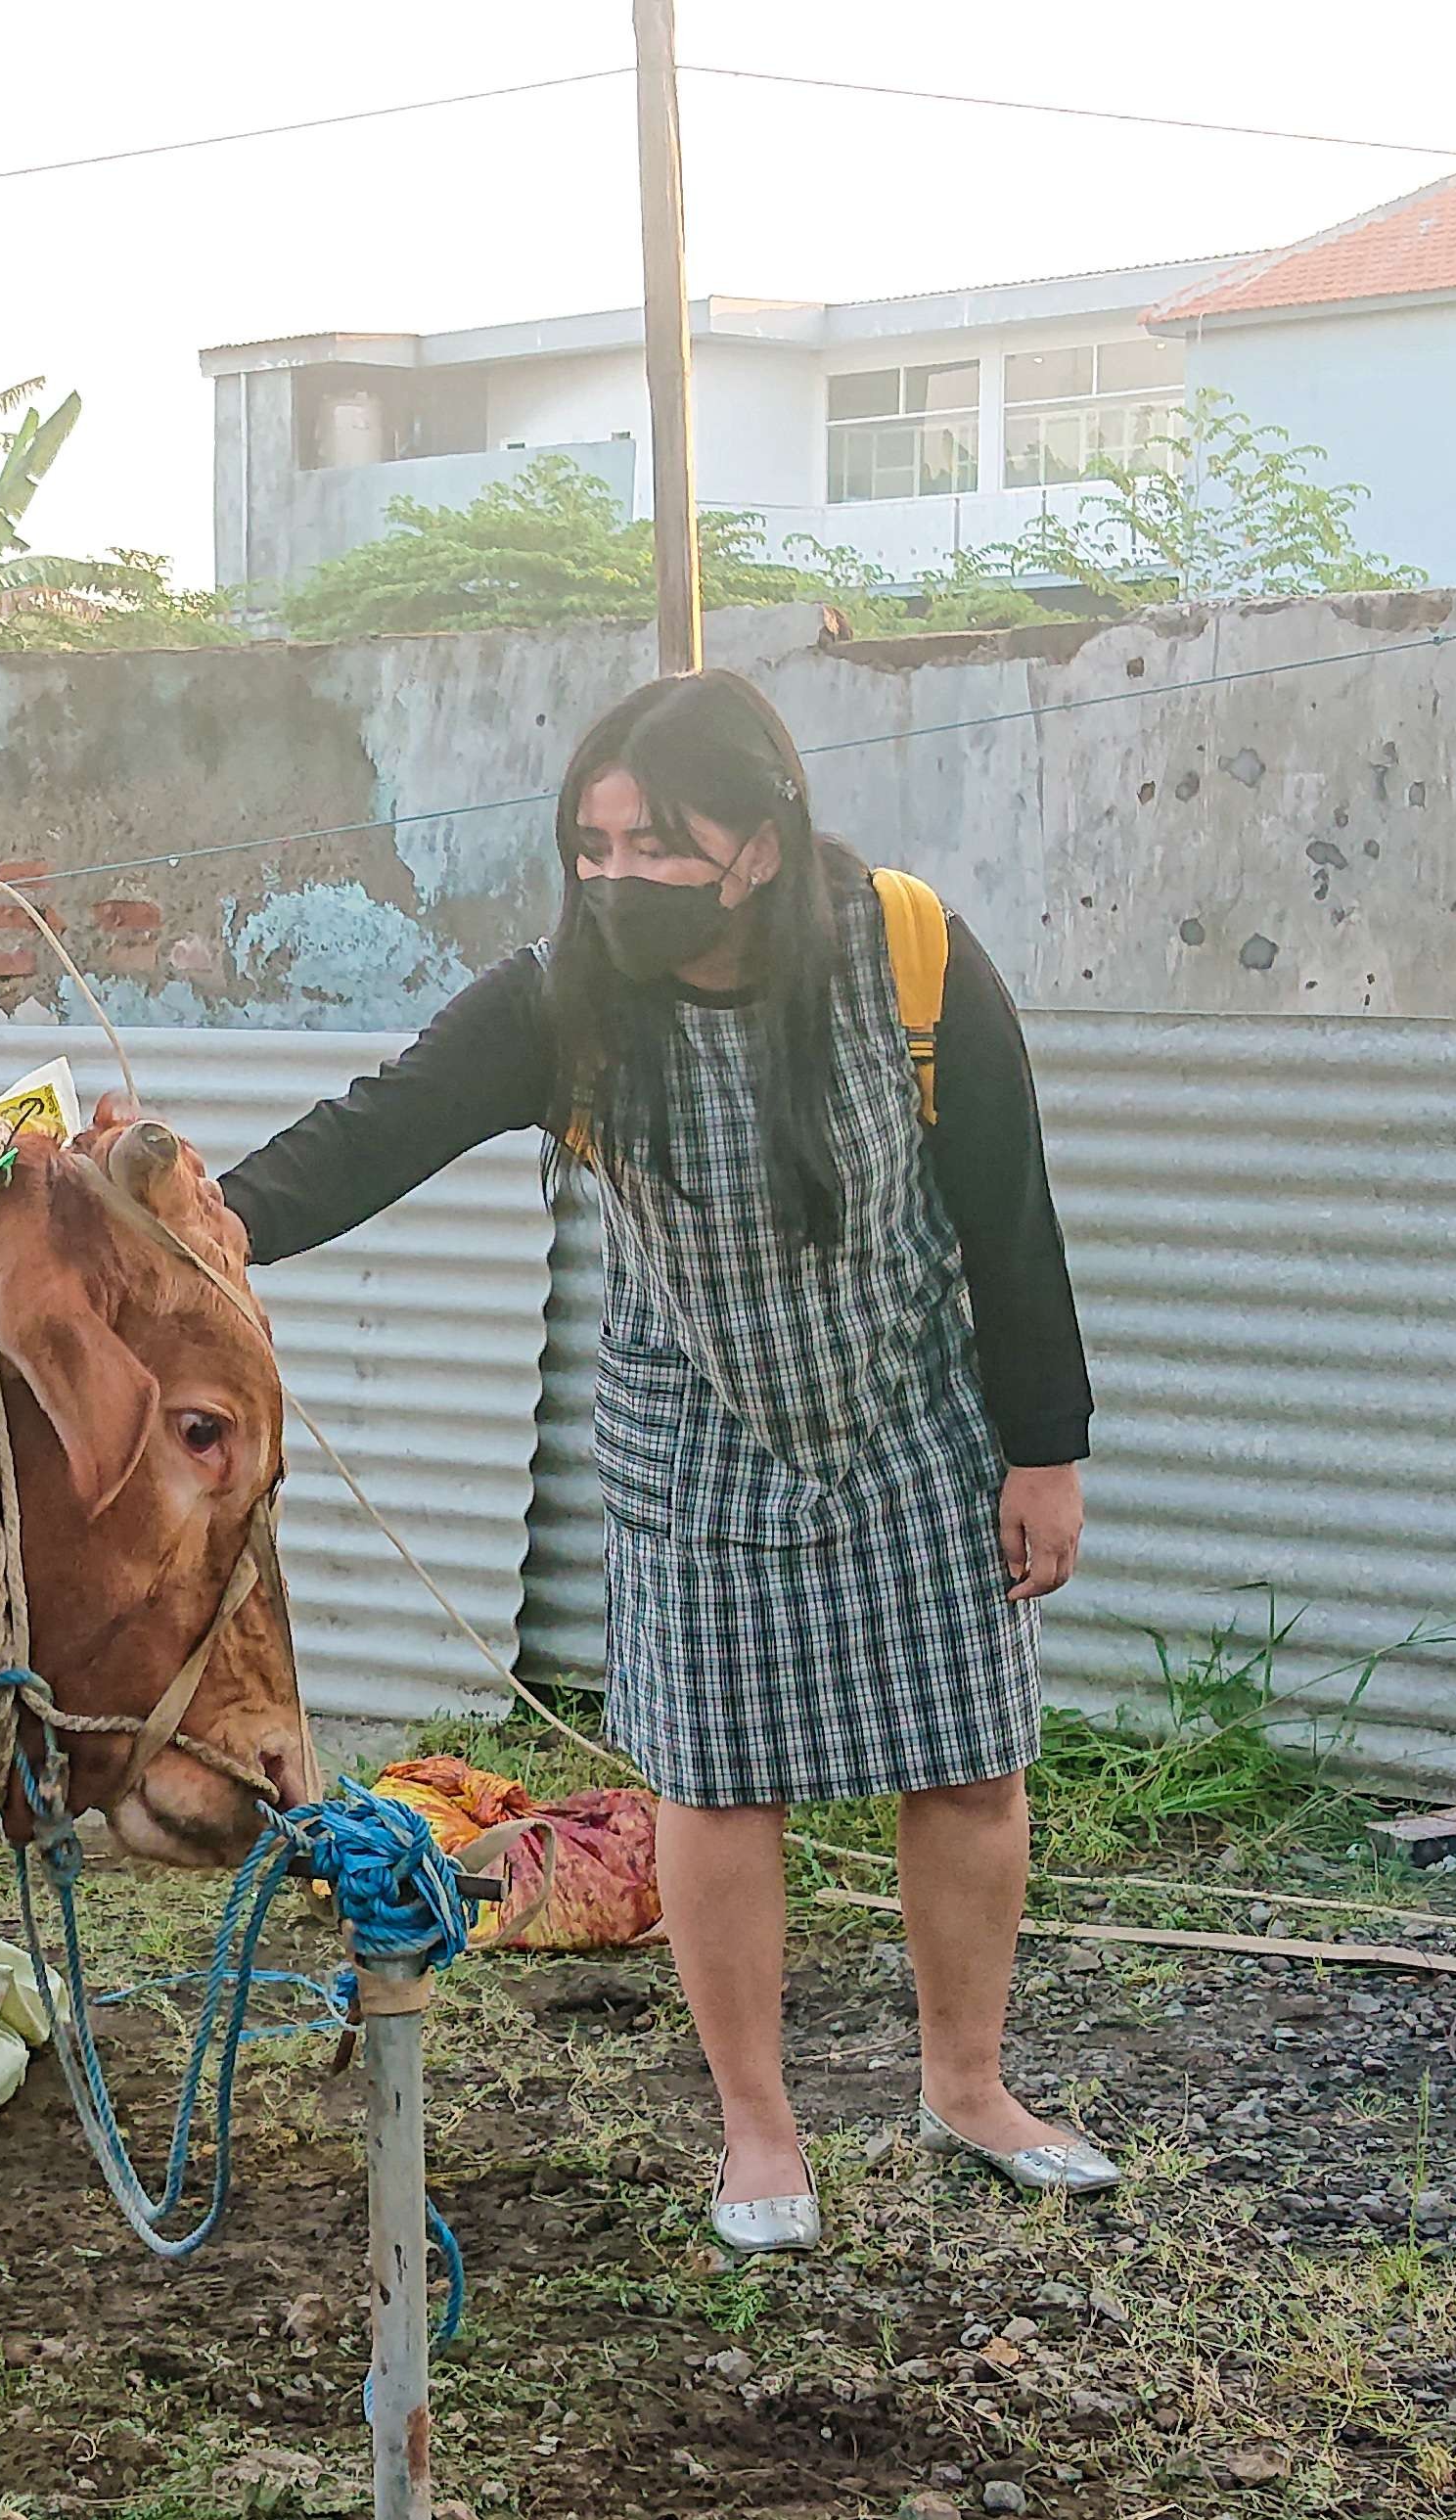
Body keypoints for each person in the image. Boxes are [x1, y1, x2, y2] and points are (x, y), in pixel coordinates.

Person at [211, 668, 1115, 2253]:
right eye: (590, 842)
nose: (614, 875)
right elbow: (376, 1126)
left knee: (970, 1760)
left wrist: (1045, 1448)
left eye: (654, 843)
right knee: (719, 1780)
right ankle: (758, 2131)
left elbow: (1006, 1207)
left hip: (911, 1408)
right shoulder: (561, 1001)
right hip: (690, 1428)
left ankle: (966, 2086)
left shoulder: (902, 952)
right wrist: (201, 1223)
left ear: (757, 845)